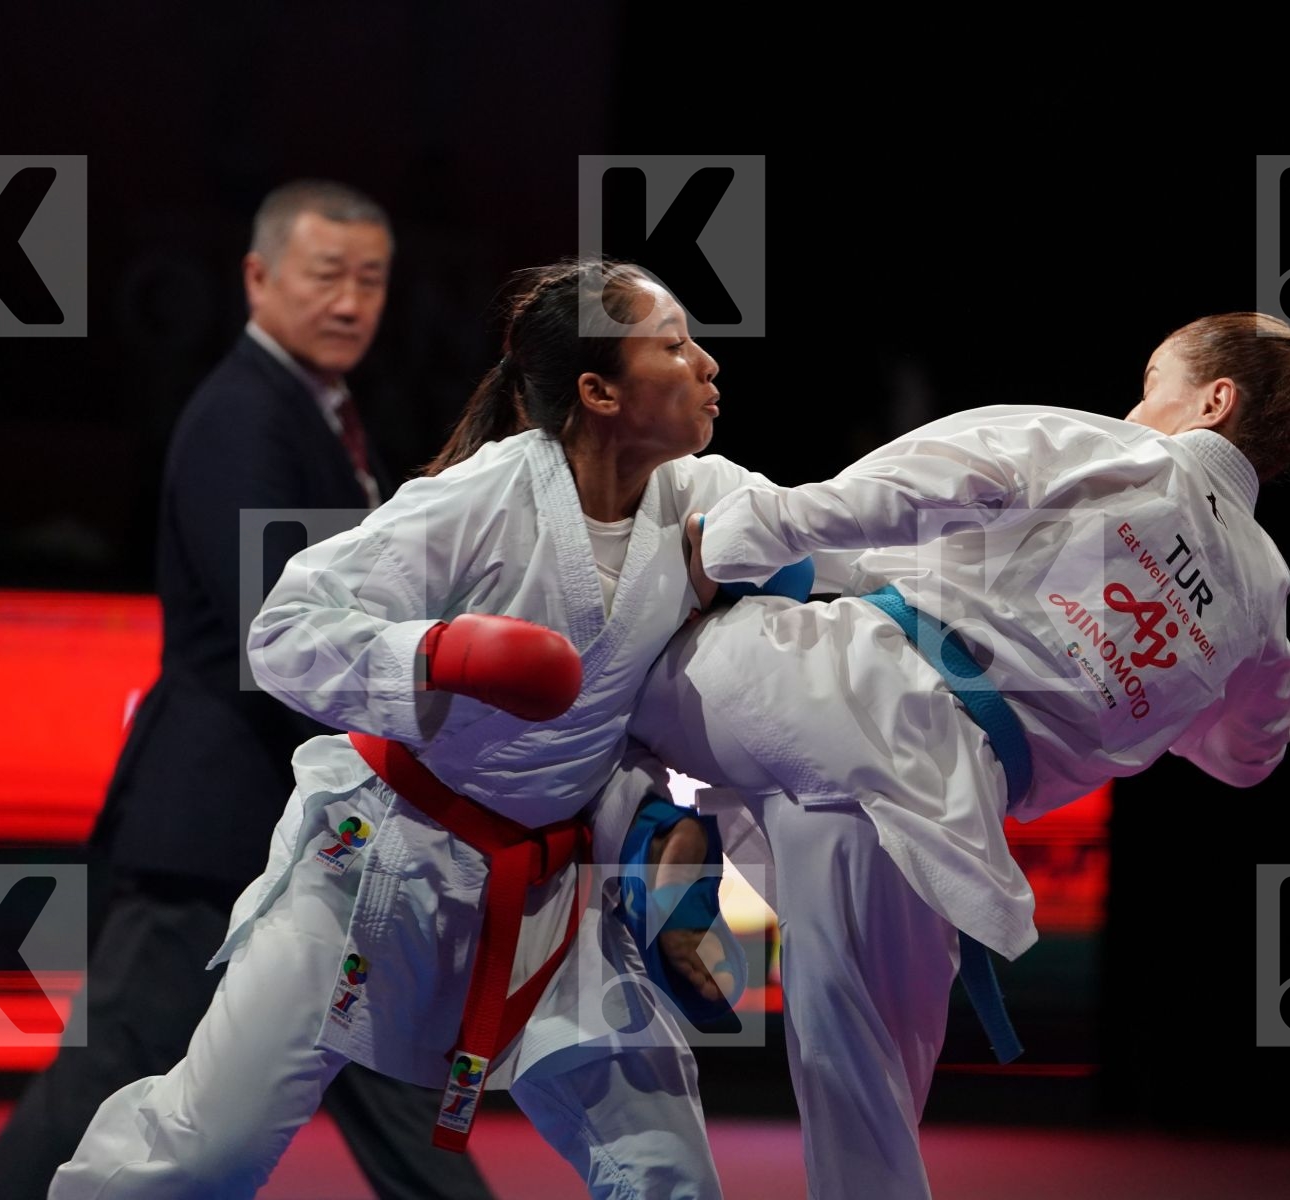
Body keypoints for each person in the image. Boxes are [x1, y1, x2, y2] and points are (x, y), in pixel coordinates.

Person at [49, 259, 770, 1200]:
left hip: (554, 897)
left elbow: (840, 526)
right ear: (597, 391)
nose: (706, 364)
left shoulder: (703, 496)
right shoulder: (486, 496)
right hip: (378, 869)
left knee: (667, 1173)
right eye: (674, 346)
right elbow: (283, 630)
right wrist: (440, 655)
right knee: (203, 1151)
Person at [627, 312, 1290, 1199]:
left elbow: (913, 486)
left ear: (1214, 400)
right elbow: (1252, 754)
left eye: (1154, 379)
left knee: (606, 668)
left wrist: (741, 541)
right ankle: (667, 840)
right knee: (873, 1121)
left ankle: (654, 833)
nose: (1137, 401)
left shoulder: (1105, 448)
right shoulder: (1263, 599)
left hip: (821, 691)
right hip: (938, 825)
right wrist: (1159, 696)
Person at [0, 180, 497, 1200]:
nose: (350, 302)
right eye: (325, 275)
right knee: (109, 1073)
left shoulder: (328, 417)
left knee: (390, 1083)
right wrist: (441, 722)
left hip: (312, 833)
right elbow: (283, 633)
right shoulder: (243, 417)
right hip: (221, 828)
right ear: (257, 277)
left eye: (371, 280)